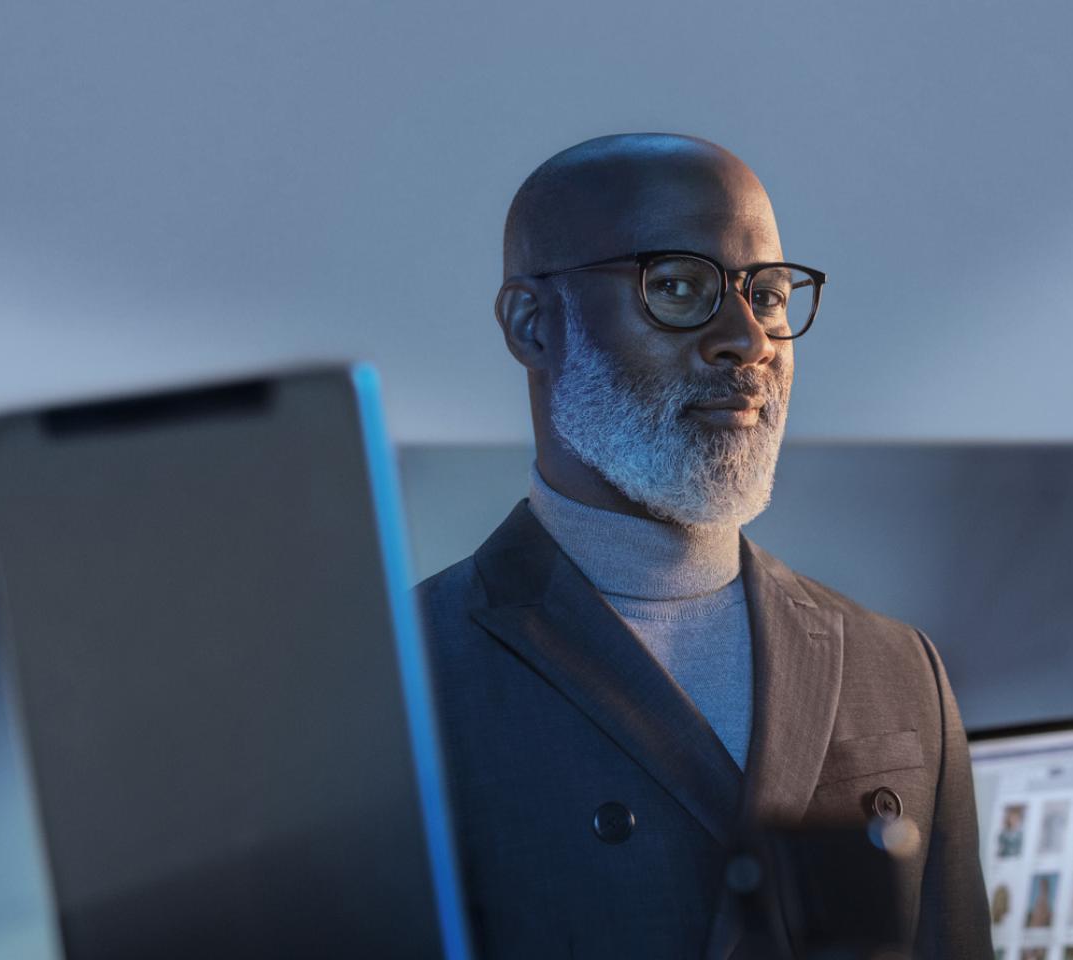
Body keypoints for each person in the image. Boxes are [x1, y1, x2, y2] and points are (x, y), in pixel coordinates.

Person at [416, 134, 991, 958]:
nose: (748, 340)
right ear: (532, 325)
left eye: (766, 295)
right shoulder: (395, 689)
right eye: (678, 287)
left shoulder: (902, 671)